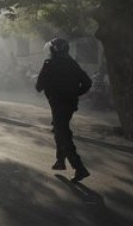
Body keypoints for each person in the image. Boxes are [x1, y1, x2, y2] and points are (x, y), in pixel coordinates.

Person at [36, 37, 92, 183]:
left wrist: (43, 84)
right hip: (70, 104)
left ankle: (79, 168)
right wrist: (75, 93)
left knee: (62, 134)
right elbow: (87, 82)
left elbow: (38, 86)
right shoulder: (72, 64)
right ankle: (60, 161)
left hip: (57, 104)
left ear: (54, 50)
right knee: (59, 128)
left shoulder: (49, 64)